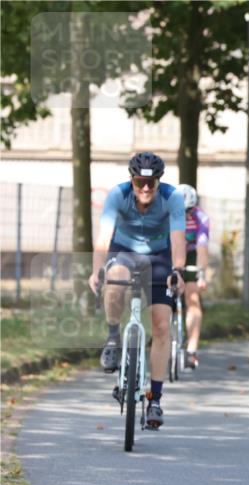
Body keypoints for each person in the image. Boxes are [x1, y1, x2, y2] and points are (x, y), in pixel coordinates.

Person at [88, 152, 186, 429]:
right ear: (131, 181)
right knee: (115, 276)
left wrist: (177, 270)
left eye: (150, 183)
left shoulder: (173, 197)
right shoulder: (118, 195)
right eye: (139, 182)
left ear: (158, 182)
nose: (145, 188)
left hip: (159, 258)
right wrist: (97, 270)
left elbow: (178, 239)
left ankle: (155, 399)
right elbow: (103, 238)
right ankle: (112, 339)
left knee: (161, 325)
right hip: (124, 252)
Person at [176, 184, 210, 369]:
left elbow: (202, 249)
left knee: (193, 297)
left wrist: (201, 274)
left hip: (191, 255)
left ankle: (191, 349)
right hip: (170, 253)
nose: (185, 214)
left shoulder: (200, 218)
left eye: (188, 210)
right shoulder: (166, 216)